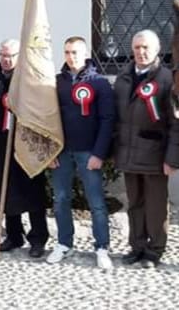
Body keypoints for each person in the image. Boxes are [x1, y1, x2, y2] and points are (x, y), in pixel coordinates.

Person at [112, 30, 179, 268]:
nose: (141, 52)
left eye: (146, 47)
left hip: (155, 154)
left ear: (156, 50)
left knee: (155, 205)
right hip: (128, 152)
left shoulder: (167, 79)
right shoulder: (124, 77)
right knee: (134, 203)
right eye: (137, 48)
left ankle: (155, 250)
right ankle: (137, 246)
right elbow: (116, 117)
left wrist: (173, 159)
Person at [47, 36, 115, 270]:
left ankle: (102, 247)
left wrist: (99, 153)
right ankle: (64, 243)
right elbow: (48, 118)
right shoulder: (56, 83)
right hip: (62, 151)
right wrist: (49, 151)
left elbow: (107, 120)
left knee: (96, 202)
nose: (71, 57)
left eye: (75, 52)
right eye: (67, 52)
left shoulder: (99, 83)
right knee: (60, 199)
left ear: (85, 54)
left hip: (89, 152)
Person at [0, 39, 49, 259]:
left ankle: (38, 237)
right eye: (3, 55)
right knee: (7, 190)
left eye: (11, 55)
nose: (6, 59)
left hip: (26, 142)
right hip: (3, 143)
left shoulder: (30, 79)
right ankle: (14, 235)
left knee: (32, 191)